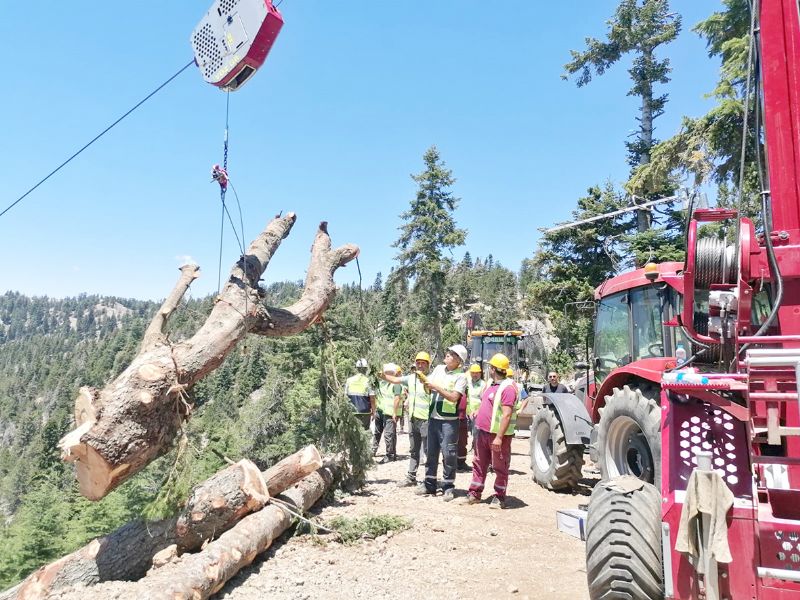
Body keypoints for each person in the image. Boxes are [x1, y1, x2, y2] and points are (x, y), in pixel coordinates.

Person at [463, 353, 518, 509]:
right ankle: (474, 493)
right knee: (479, 463)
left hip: (497, 436)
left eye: (490, 367)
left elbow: (506, 414)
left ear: (493, 369)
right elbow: (485, 403)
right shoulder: (490, 384)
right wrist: (478, 411)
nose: (488, 370)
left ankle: (499, 497)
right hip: (482, 432)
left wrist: (499, 437)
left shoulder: (508, 388)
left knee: (500, 466)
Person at [417, 344, 468, 502]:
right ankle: (429, 483)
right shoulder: (439, 369)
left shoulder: (461, 377)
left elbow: (454, 397)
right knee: (431, 452)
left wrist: (436, 388)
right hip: (433, 417)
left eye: (452, 354)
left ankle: (448, 486)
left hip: (448, 421)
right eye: (449, 352)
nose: (448, 354)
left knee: (449, 454)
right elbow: (429, 386)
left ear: (458, 360)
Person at [380, 352, 432, 486]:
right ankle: (411, 477)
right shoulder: (411, 378)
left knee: (428, 451)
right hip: (413, 419)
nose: (420, 365)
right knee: (414, 450)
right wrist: (381, 375)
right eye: (418, 363)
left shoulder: (431, 379)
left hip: (426, 420)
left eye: (423, 363)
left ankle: (429, 480)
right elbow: (395, 380)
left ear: (428, 365)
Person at [373, 363, 403, 463]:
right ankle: (374, 450)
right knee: (377, 432)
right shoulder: (382, 383)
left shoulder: (396, 384)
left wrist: (395, 412)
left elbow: (397, 398)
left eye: (390, 373)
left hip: (390, 413)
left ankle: (390, 455)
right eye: (386, 373)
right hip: (380, 411)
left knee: (389, 434)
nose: (387, 374)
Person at [344, 358, 375, 430]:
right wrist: (374, 411)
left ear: (357, 368)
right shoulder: (368, 381)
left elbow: (345, 397)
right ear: (366, 369)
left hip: (352, 412)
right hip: (365, 412)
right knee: (365, 433)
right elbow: (372, 398)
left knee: (352, 433)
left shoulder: (349, 380)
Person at [466, 363, 486, 454]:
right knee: (466, 432)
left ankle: (475, 448)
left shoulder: (483, 385)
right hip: (468, 412)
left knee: (476, 432)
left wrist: (478, 411)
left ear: (480, 373)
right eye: (473, 373)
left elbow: (484, 400)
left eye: (477, 373)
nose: (474, 375)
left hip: (477, 413)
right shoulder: (468, 383)